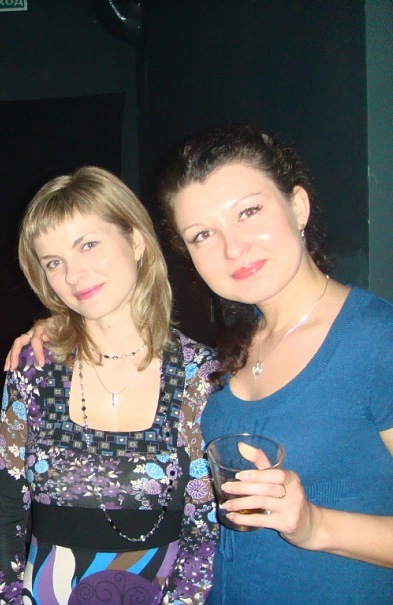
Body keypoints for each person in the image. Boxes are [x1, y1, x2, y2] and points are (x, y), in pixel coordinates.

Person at [154, 123, 393, 604]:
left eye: (249, 211)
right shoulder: (233, 352)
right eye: (203, 235)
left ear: (298, 206)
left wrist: (314, 525)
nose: (232, 248)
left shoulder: (377, 340)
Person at [0, 166, 219, 605]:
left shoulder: (199, 375)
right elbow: (6, 513)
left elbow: (203, 528)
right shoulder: (34, 369)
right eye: (54, 262)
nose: (74, 275)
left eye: (88, 244)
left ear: (136, 241)